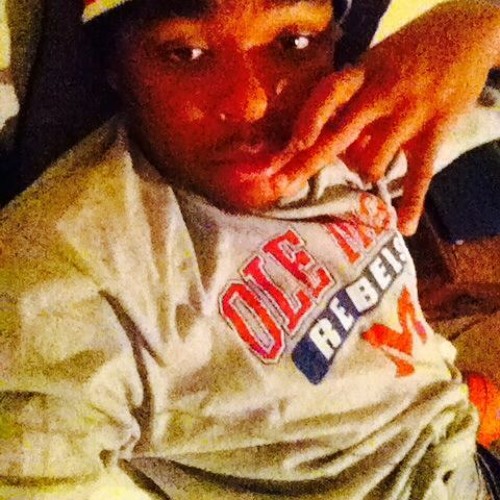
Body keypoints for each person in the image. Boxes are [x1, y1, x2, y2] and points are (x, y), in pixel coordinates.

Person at [0, 0, 499, 498]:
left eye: (293, 43)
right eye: (186, 53)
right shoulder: (73, 270)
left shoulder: (344, 124)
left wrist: (479, 22)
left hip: (456, 437)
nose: (251, 105)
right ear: (114, 66)